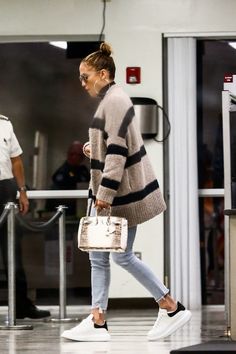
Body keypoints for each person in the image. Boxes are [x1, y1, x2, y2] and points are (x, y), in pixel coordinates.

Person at [61, 42, 191, 342]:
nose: (82, 83)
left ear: (103, 74)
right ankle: (97, 319)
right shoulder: (112, 99)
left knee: (121, 257)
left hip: (117, 196)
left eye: (86, 76)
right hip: (113, 195)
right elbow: (113, 144)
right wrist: (92, 149)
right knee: (99, 257)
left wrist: (104, 196)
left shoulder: (115, 101)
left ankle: (170, 306)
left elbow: (118, 154)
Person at [0, 114, 51, 319]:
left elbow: (16, 160)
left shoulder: (4, 124)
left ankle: (21, 305)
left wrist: (22, 191)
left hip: (4, 188)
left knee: (13, 251)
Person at [46, 141, 90, 216]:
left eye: (82, 155)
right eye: (79, 155)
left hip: (80, 209)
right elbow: (59, 194)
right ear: (70, 155)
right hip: (65, 211)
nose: (81, 158)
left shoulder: (83, 170)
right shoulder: (63, 171)